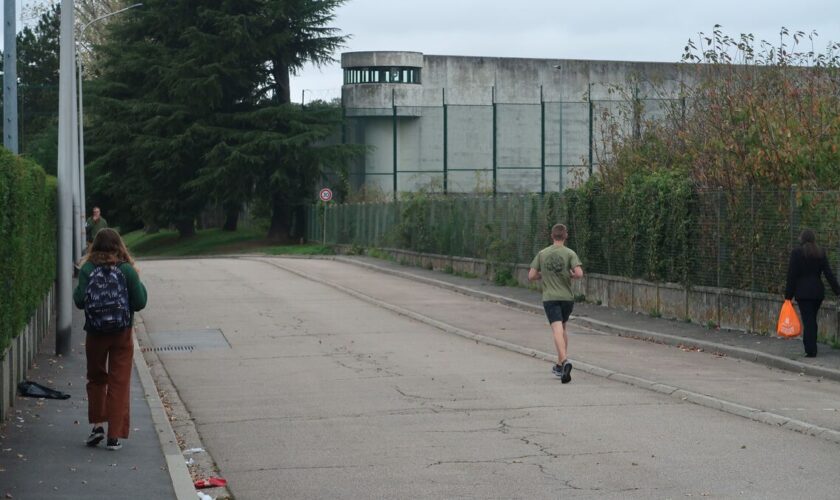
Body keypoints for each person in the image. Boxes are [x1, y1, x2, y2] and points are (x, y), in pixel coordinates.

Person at [73, 228, 147, 450]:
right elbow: (140, 302)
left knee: (96, 378)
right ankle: (114, 436)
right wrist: (136, 278)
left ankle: (97, 426)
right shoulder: (125, 270)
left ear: (94, 246)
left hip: (95, 332)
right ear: (119, 245)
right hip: (122, 333)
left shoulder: (88, 268)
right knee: (119, 381)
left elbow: (79, 301)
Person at [529, 223, 584, 383]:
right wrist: (571, 275)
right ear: (565, 236)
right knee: (563, 328)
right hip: (567, 298)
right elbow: (579, 273)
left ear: (552, 236)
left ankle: (565, 361)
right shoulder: (570, 253)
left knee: (556, 330)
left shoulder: (542, 253)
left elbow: (531, 275)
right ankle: (560, 365)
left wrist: (543, 275)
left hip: (550, 298)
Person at [784, 229, 840, 358]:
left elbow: (791, 275)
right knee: (812, 320)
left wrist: (788, 296)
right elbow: (828, 274)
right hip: (817, 293)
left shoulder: (797, 253)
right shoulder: (820, 253)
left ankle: (811, 350)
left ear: (802, 239)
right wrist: (837, 290)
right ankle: (811, 346)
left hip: (803, 293)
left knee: (808, 320)